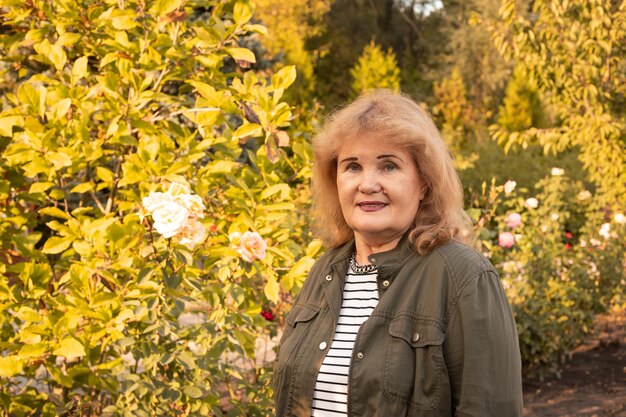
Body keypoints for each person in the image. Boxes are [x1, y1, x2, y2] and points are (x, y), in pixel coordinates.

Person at [273, 90, 523, 417]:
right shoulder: (326, 269)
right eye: (352, 166)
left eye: (389, 166)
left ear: (424, 183)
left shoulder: (463, 277)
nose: (367, 183)